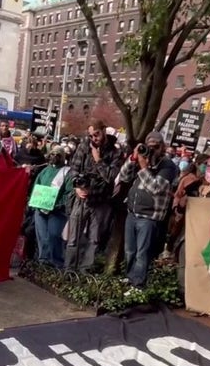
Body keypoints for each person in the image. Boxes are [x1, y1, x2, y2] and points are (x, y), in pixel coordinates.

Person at [117, 132, 178, 289]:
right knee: (129, 251)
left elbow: (156, 188)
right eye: (148, 147)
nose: (152, 151)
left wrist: (143, 167)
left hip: (149, 217)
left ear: (162, 148)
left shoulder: (168, 166)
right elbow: (123, 176)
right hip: (132, 213)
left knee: (142, 254)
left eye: (156, 147)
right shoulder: (141, 160)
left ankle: (138, 284)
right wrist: (133, 158)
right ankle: (131, 278)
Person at [65, 120, 124, 272]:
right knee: (73, 238)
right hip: (82, 198)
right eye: (90, 135)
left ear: (104, 131)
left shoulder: (115, 152)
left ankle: (85, 270)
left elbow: (110, 177)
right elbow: (73, 170)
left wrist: (98, 159)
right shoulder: (83, 147)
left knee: (94, 239)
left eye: (96, 134)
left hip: (100, 200)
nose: (94, 139)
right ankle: (69, 270)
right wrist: (77, 186)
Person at [32, 146, 74, 267]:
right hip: (40, 209)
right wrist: (34, 202)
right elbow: (36, 187)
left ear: (63, 157)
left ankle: (56, 262)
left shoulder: (67, 172)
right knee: (42, 236)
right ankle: (43, 261)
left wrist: (59, 204)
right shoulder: (44, 171)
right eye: (52, 154)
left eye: (58, 155)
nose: (54, 157)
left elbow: (69, 192)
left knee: (54, 236)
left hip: (57, 211)